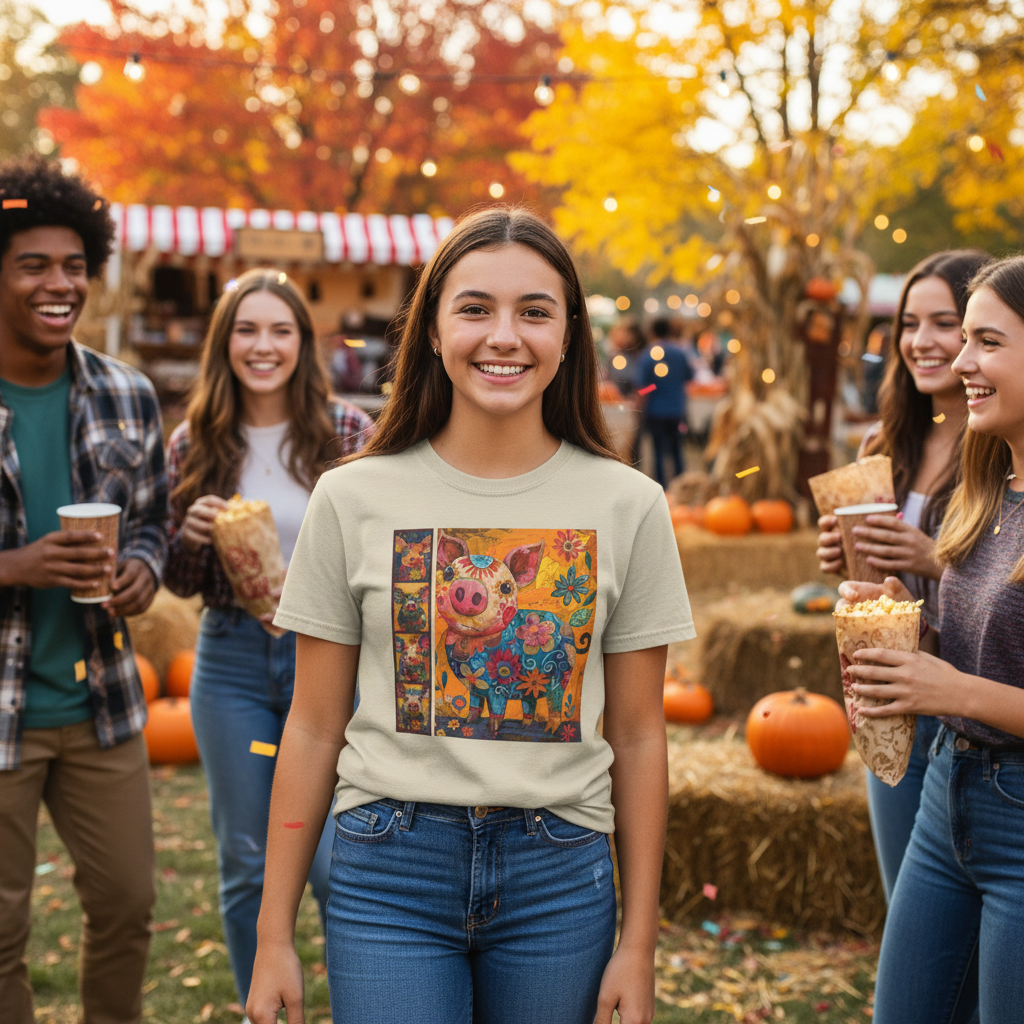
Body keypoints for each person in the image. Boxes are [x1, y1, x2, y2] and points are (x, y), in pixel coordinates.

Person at [245, 208, 696, 1024]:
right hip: (389, 869)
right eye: (475, 308)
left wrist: (639, 942)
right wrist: (273, 931)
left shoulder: (631, 505)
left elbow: (637, 735)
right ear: (431, 330)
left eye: (534, 311)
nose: (504, 336)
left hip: (561, 873)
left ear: (568, 336)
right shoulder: (351, 497)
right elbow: (312, 726)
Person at [164, 268, 373, 1008]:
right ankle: (266, 1009)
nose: (263, 345)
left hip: (327, 661)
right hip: (233, 667)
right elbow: (182, 581)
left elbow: (380, 551)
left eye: (280, 330)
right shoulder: (196, 440)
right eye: (247, 330)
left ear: (301, 343)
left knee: (331, 862)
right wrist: (188, 537)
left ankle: (363, 1001)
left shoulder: (348, 432)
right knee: (247, 856)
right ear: (225, 343)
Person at [0, 156, 166, 1023]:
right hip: (2, 713)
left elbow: (151, 523)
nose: (59, 283)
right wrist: (16, 566)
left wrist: (143, 569)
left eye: (73, 265)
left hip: (101, 703)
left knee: (130, 907)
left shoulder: (125, 393)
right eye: (33, 264)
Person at [843, 254, 1024, 1023]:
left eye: (984, 340)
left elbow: (975, 680)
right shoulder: (989, 487)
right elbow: (990, 642)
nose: (960, 361)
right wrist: (908, 624)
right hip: (945, 800)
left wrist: (948, 688)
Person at [816, 250, 990, 906]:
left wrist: (929, 557)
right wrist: (847, 560)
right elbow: (873, 586)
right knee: (911, 904)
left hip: (961, 703)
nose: (922, 342)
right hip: (889, 701)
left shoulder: (999, 447)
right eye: (910, 325)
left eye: (945, 323)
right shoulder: (881, 445)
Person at [637, 317, 695, 488]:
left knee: (658, 452)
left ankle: (663, 489)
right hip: (677, 410)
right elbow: (689, 378)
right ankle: (682, 487)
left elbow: (643, 387)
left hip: (655, 411)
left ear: (652, 332)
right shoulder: (680, 353)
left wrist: (641, 403)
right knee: (677, 450)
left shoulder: (648, 354)